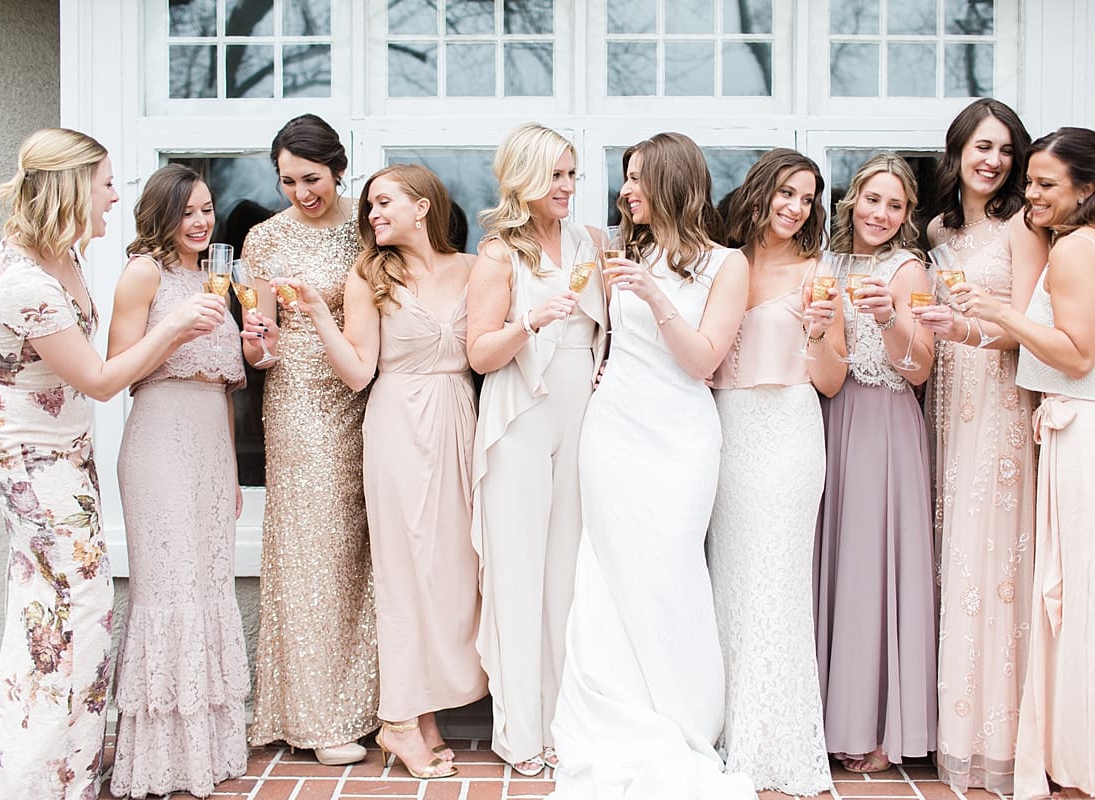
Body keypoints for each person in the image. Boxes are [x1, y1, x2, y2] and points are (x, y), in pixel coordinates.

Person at [0, 128, 223, 799]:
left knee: (59, 608)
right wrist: (173, 328)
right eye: (106, 182)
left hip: (67, 453)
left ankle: (67, 765)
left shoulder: (62, 256)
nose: (116, 195)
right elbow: (100, 379)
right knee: (71, 613)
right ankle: (41, 778)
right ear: (71, 185)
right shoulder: (23, 282)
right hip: (31, 460)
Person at [549, 132, 753, 798]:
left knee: (670, 569)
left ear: (671, 181)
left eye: (637, 178)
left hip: (681, 437)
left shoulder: (727, 265)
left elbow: (703, 362)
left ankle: (684, 716)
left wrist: (656, 296)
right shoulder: (619, 249)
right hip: (613, 433)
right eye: (625, 179)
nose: (625, 190)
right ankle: (611, 704)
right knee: (607, 572)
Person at [958, 127, 1095, 800]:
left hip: (1090, 440)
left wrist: (999, 313)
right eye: (1032, 181)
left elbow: (1075, 354)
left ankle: (1083, 765)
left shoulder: (1074, 250)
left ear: (1087, 189)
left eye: (1045, 184)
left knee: (1083, 603)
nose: (1030, 195)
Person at [274, 164, 486, 779]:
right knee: (402, 574)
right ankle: (398, 720)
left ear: (423, 207)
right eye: (368, 206)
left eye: (383, 202)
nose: (371, 214)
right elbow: (358, 372)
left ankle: (423, 714)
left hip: (458, 420)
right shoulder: (368, 274)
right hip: (396, 425)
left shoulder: (473, 270)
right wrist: (318, 313)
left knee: (451, 571)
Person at [914, 98, 1048, 793]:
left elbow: (1026, 328)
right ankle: (949, 727)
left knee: (991, 558)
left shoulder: (1025, 226)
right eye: (980, 148)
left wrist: (963, 330)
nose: (992, 161)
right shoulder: (938, 227)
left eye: (1003, 149)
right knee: (950, 554)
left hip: (998, 401)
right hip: (948, 402)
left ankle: (995, 737)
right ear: (958, 152)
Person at [466, 122, 606, 776]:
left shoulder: (589, 242)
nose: (568, 187)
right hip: (521, 409)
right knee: (519, 576)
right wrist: (530, 319)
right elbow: (478, 351)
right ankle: (521, 734)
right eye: (556, 175)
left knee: (567, 579)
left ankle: (563, 723)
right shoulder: (500, 255)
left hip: (581, 410)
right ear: (524, 176)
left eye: (573, 174)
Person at [106, 164, 250, 798]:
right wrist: (174, 329)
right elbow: (117, 369)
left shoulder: (214, 282)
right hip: (159, 440)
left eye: (208, 211)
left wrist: (233, 469)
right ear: (162, 214)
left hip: (210, 448)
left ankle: (209, 749)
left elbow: (221, 383)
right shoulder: (145, 274)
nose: (201, 222)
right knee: (169, 588)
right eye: (188, 211)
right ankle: (160, 756)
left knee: (208, 582)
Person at [241, 113, 380, 765]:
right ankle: (316, 717)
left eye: (312, 178)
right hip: (296, 402)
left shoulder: (365, 227)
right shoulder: (265, 240)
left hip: (363, 395)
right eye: (289, 181)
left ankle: (369, 702)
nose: (302, 192)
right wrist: (257, 347)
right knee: (310, 552)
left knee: (358, 550)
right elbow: (261, 342)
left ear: (338, 169)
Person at [708, 148, 843, 796]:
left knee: (777, 582)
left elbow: (832, 379)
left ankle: (774, 740)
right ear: (760, 192)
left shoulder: (819, 272)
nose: (796, 207)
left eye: (807, 197)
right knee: (729, 580)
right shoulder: (718, 260)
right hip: (728, 428)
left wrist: (817, 334)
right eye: (787, 192)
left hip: (790, 428)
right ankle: (727, 729)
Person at [813, 153, 937, 774]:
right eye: (872, 200)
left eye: (895, 205)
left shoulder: (908, 268)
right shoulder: (828, 263)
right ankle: (833, 715)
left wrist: (890, 319)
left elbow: (919, 367)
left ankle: (880, 724)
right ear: (851, 200)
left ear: (908, 215)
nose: (881, 214)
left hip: (885, 423)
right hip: (831, 419)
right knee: (835, 563)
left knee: (874, 566)